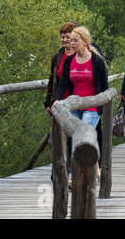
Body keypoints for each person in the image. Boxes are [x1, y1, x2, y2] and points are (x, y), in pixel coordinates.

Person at [54, 26, 109, 180]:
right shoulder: (69, 61)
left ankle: (85, 172)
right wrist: (57, 100)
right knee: (73, 136)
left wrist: (101, 107)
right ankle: (82, 170)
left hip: (92, 105)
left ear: (85, 42)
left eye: (75, 40)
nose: (71, 43)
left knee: (84, 137)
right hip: (75, 104)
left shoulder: (97, 61)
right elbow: (63, 82)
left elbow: (104, 88)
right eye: (70, 40)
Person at [44, 22, 79, 180]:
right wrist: (48, 103)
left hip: (76, 103)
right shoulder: (56, 58)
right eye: (62, 37)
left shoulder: (82, 56)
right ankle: (58, 172)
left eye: (68, 37)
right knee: (57, 139)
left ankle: (71, 172)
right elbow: (52, 81)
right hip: (58, 103)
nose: (65, 40)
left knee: (72, 138)